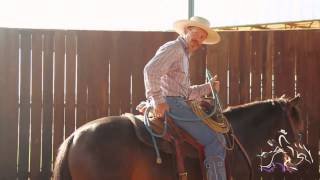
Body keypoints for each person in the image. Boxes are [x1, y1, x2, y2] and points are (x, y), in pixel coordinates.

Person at [143, 16, 226, 180]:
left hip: (177, 101)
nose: (199, 40)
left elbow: (185, 92)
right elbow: (150, 70)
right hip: (173, 104)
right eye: (197, 34)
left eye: (203, 38)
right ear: (187, 30)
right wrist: (158, 101)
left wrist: (208, 87)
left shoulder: (183, 54)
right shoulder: (174, 49)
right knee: (216, 139)